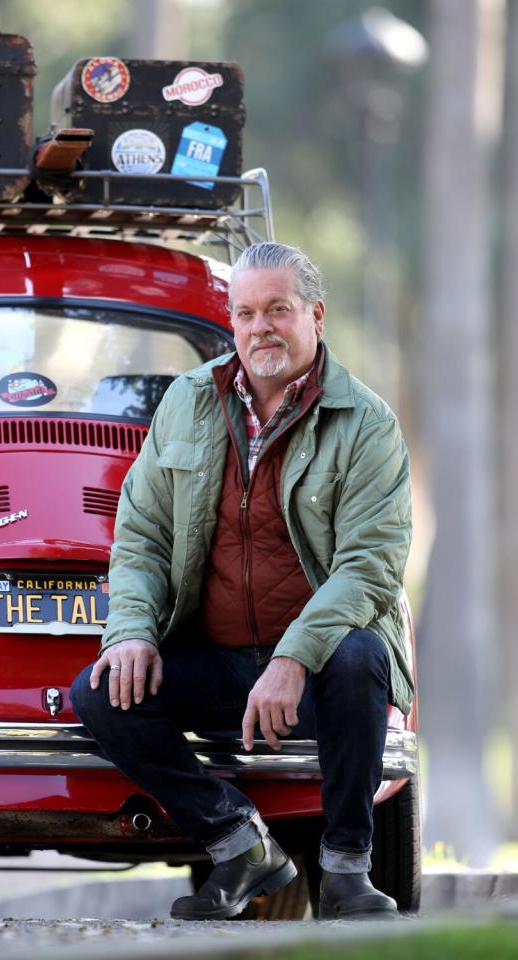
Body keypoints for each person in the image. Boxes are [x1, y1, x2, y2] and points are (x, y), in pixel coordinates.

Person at [70, 242, 413, 921]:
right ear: (232, 323)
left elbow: (369, 566)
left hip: (317, 672)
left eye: (279, 310)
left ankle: (346, 870)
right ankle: (241, 844)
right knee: (102, 691)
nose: (262, 328)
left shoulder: (366, 423)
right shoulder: (187, 405)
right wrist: (133, 631)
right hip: (218, 662)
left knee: (361, 654)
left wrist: (293, 658)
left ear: (315, 314)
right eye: (246, 313)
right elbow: (142, 536)